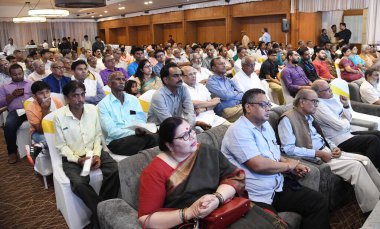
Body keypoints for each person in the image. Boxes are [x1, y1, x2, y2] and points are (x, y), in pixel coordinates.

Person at [139, 117, 284, 228]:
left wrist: (217, 198)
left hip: (226, 207)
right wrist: (190, 212)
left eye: (191, 130)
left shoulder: (204, 150)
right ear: (169, 145)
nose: (192, 137)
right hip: (194, 222)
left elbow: (235, 176)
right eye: (184, 136)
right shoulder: (154, 172)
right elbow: (146, 218)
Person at [221, 89, 330, 229]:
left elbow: (274, 153)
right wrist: (288, 166)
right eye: (263, 105)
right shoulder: (239, 131)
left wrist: (289, 164)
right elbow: (258, 165)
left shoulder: (265, 125)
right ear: (248, 107)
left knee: (318, 202)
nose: (268, 108)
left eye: (268, 104)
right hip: (255, 196)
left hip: (276, 186)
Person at [278, 89, 380, 213]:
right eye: (314, 101)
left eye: (317, 101)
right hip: (315, 158)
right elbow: (288, 149)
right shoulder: (287, 119)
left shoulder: (309, 116)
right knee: (356, 166)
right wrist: (317, 153)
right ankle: (373, 209)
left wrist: (333, 147)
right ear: (302, 102)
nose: (317, 104)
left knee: (365, 160)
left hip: (327, 151)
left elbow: (321, 137)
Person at [55, 81, 119, 228]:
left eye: (82, 94)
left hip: (94, 152)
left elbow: (97, 135)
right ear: (66, 98)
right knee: (79, 184)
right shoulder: (59, 116)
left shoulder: (92, 110)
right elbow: (61, 146)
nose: (80, 99)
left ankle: (100, 212)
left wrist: (96, 154)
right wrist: (78, 160)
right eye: (75, 96)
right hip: (73, 158)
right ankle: (104, 213)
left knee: (115, 170)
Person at [311, 80, 380, 169]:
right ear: (317, 93)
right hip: (338, 139)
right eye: (327, 89)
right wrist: (344, 120)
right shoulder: (319, 107)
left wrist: (346, 105)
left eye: (330, 87)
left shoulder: (331, 99)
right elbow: (340, 126)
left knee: (377, 133)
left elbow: (348, 118)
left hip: (347, 133)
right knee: (372, 140)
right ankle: (372, 169)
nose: (331, 90)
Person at [98, 71, 157, 156]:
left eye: (123, 79)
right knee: (148, 141)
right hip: (117, 141)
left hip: (137, 136)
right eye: (118, 79)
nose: (122, 82)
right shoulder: (103, 104)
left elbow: (141, 119)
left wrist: (141, 129)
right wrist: (134, 132)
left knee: (158, 137)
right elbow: (111, 131)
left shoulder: (133, 99)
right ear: (109, 83)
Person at [0, 64, 33, 163]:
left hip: (31, 109)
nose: (18, 76)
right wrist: (13, 95)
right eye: (15, 74)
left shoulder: (30, 84)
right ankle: (12, 152)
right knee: (8, 126)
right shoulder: (5, 87)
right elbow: (1, 103)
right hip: (16, 112)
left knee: (43, 121)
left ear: (23, 72)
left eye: (20, 73)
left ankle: (41, 148)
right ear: (10, 75)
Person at [25, 81, 63, 165]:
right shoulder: (30, 108)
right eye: (41, 93)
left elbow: (64, 118)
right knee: (54, 141)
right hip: (38, 132)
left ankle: (39, 146)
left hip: (57, 128)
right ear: (34, 96)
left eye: (47, 92)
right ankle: (59, 164)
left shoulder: (56, 101)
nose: (45, 95)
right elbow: (40, 130)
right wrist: (45, 110)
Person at [206, 57, 243, 122]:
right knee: (254, 110)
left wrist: (232, 95)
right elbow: (225, 96)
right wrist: (235, 93)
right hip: (225, 110)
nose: (224, 66)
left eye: (224, 63)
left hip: (238, 105)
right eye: (220, 64)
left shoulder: (228, 80)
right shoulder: (211, 82)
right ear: (213, 68)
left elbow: (242, 93)